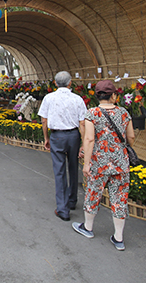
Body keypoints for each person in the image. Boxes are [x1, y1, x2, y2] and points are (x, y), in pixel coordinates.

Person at [72, 79, 135, 251]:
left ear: (97, 96)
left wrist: (86, 164)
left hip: (99, 163)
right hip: (120, 163)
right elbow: (131, 138)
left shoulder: (92, 113)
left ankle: (88, 228)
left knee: (93, 193)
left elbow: (89, 139)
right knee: (119, 198)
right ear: (114, 95)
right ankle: (119, 238)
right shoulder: (124, 113)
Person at [38, 71, 87, 222]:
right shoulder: (77, 99)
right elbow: (82, 123)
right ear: (70, 83)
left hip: (57, 136)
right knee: (73, 167)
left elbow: (44, 120)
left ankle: (63, 209)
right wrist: (83, 143)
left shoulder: (49, 98)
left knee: (59, 171)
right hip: (73, 136)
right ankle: (72, 201)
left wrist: (46, 137)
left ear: (55, 83)